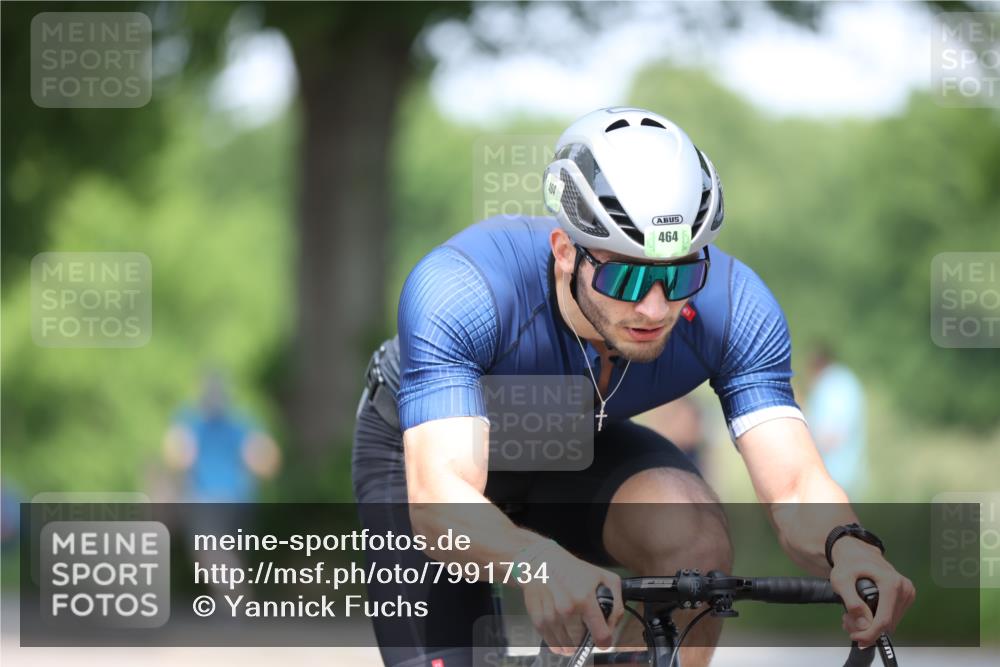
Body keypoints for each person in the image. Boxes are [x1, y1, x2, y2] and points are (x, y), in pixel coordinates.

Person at [352, 107, 913, 667]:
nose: (654, 307)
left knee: (694, 540)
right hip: (430, 462)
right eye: (626, 276)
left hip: (575, 444)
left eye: (679, 274)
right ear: (565, 251)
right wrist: (537, 562)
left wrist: (851, 546)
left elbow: (793, 484)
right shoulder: (463, 287)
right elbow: (439, 498)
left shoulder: (737, 309)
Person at [806, 344, 868, 498]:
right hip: (849, 472)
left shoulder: (830, 385)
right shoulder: (846, 380)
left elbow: (831, 434)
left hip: (835, 474)